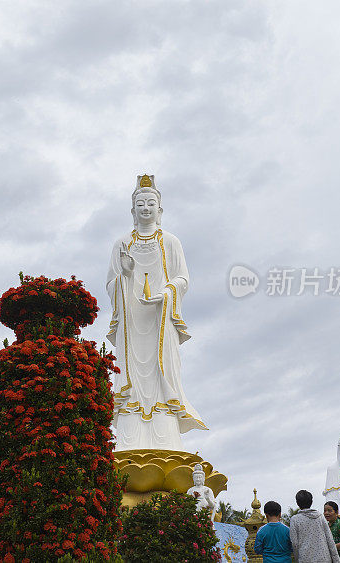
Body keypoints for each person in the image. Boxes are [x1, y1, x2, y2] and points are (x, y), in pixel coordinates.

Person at [106, 174, 206, 451]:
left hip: (161, 317)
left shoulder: (171, 241)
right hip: (132, 318)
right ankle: (130, 430)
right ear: (132, 210)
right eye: (141, 204)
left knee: (162, 371)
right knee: (132, 375)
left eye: (151, 203)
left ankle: (165, 424)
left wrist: (166, 293)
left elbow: (183, 278)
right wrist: (125, 275)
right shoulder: (121, 243)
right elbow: (110, 282)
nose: (146, 208)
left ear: (159, 210)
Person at [289, 490, 340, 563]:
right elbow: (330, 540)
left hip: (305, 559)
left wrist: (297, 559)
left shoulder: (295, 520)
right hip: (324, 559)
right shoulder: (320, 517)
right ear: (311, 502)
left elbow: (294, 543)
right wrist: (337, 561)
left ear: (297, 503)